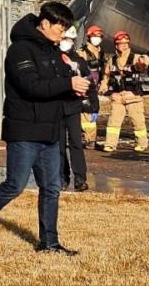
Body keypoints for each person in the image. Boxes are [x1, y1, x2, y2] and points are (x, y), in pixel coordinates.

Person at [0, 2, 90, 257]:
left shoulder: (53, 51)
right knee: (14, 185)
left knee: (51, 188)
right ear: (45, 23)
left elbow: (58, 85)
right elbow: (32, 86)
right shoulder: (20, 50)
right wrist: (67, 82)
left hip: (50, 131)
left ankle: (49, 243)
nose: (63, 34)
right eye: (60, 28)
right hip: (25, 130)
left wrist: (77, 90)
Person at [100, 31, 149, 152]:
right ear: (116, 46)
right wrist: (105, 89)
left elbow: (144, 62)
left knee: (138, 122)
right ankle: (110, 144)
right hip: (118, 97)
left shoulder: (136, 57)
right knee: (113, 121)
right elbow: (106, 76)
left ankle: (142, 143)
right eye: (121, 44)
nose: (124, 46)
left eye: (126, 43)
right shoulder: (112, 60)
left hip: (133, 96)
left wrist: (144, 61)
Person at [58, 26, 93, 192]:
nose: (66, 43)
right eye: (64, 39)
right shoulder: (52, 58)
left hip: (73, 106)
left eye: (69, 40)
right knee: (58, 145)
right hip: (56, 107)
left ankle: (80, 178)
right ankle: (61, 178)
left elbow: (89, 81)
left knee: (76, 143)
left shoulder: (79, 61)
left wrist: (92, 103)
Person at [76, 25, 104, 148]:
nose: (97, 39)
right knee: (87, 110)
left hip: (94, 85)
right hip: (86, 85)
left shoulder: (100, 52)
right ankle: (89, 139)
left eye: (99, 37)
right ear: (89, 37)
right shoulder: (82, 52)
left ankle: (88, 138)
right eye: (94, 36)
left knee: (92, 109)